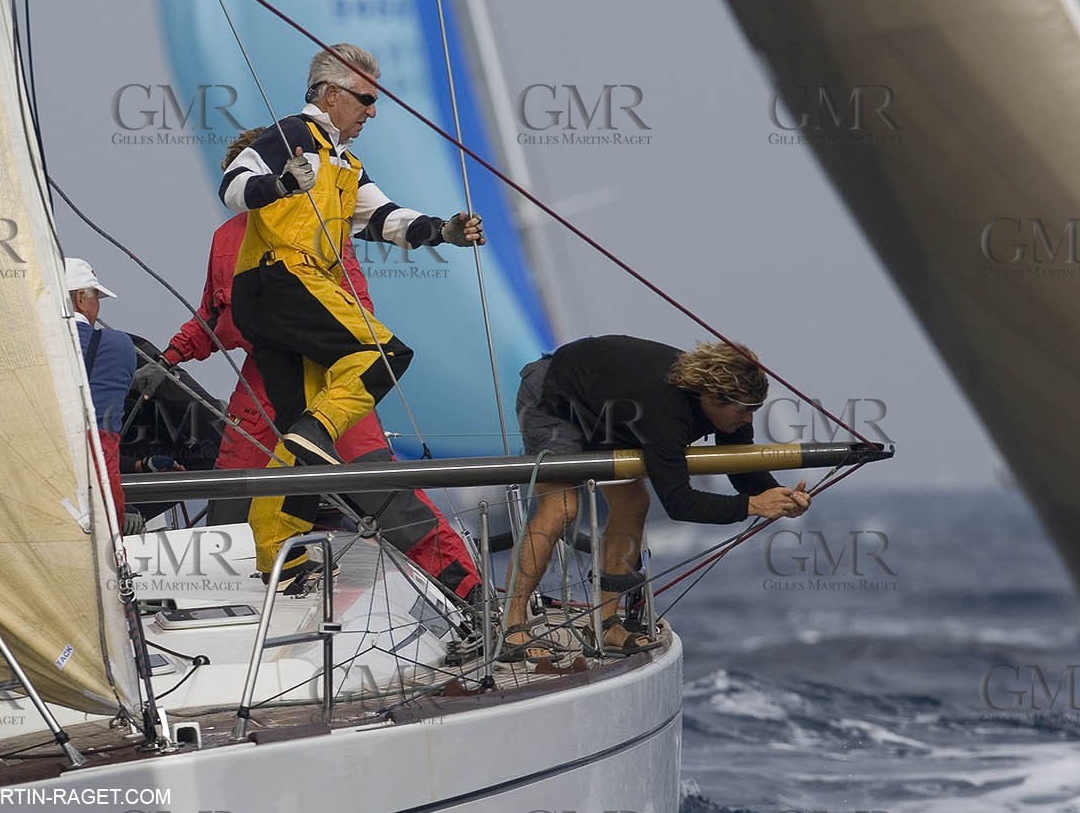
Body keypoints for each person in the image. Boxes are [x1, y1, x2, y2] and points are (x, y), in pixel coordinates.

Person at [167, 128, 484, 599]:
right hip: (276, 385)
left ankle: (469, 594)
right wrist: (167, 358)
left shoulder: (308, 228)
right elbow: (215, 314)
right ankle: (224, 609)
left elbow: (335, 310)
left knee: (376, 499)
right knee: (240, 509)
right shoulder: (237, 237)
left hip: (309, 381)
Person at [218, 44, 485, 579]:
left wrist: (445, 232)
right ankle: (317, 430)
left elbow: (386, 219)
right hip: (281, 278)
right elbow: (232, 186)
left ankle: (277, 554)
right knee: (385, 352)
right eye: (365, 99)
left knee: (300, 442)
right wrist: (281, 183)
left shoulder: (345, 163)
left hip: (275, 291)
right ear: (332, 95)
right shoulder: (295, 135)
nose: (372, 111)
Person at [504, 336, 812, 660]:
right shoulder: (666, 412)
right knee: (562, 507)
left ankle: (605, 624)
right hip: (554, 393)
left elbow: (743, 471)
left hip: (607, 406)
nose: (749, 420)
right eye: (745, 410)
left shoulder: (726, 410)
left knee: (633, 502)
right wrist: (753, 506)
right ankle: (512, 626)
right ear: (712, 397)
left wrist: (781, 497)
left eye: (756, 410)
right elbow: (679, 502)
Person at [66, 256, 136, 529]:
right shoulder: (119, 345)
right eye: (96, 297)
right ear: (82, 298)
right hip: (100, 485)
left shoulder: (28, 345)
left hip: (41, 472)